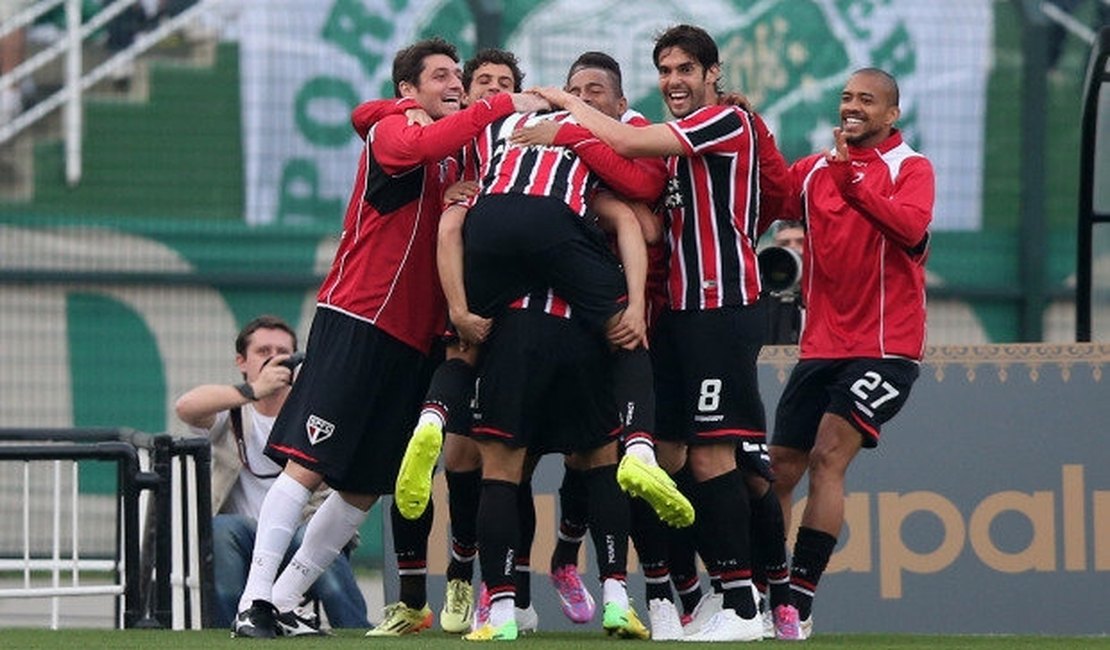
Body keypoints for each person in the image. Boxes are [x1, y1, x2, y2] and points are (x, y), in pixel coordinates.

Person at [227, 37, 547, 639]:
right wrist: (499, 107)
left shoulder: (463, 159)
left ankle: (289, 600)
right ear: (409, 90)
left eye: (460, 75)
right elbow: (396, 132)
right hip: (360, 318)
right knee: (308, 466)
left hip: (416, 341)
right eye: (442, 75)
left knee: (365, 485)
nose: (456, 83)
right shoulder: (397, 126)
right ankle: (253, 601)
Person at [531, 23, 797, 642]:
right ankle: (706, 596)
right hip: (676, 314)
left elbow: (626, 137)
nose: (675, 81)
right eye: (666, 71)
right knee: (669, 459)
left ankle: (745, 603)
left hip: (720, 306)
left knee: (714, 455)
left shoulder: (725, 122)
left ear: (711, 73)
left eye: (685, 70)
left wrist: (568, 112)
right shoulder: (692, 135)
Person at [766, 68, 934, 640]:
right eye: (846, 97)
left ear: (891, 115)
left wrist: (855, 185)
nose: (852, 106)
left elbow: (911, 230)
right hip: (820, 346)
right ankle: (766, 593)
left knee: (826, 459)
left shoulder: (910, 168)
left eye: (866, 99)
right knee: (778, 470)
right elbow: (767, 194)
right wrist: (749, 128)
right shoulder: (815, 169)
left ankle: (799, 600)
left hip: (886, 350)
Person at [173, 315, 369, 631]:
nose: (275, 359)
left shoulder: (313, 411)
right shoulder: (232, 412)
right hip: (245, 537)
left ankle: (355, 628)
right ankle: (234, 627)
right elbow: (186, 407)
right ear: (242, 361)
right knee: (222, 529)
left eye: (284, 352)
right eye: (263, 351)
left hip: (303, 528)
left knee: (314, 536)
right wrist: (254, 390)